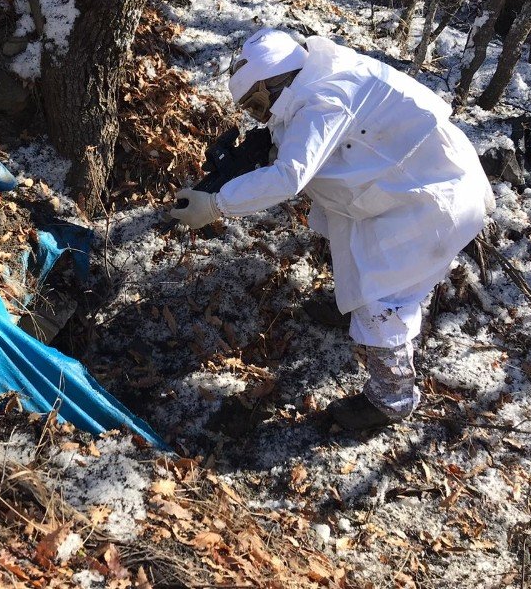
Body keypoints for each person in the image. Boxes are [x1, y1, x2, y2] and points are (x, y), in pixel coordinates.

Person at [169, 28, 493, 432]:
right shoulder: (314, 76)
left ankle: (391, 399)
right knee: (348, 244)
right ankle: (352, 307)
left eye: (257, 102)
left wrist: (216, 205)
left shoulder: (326, 97)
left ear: (277, 81)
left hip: (430, 200)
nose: (258, 114)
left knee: (382, 297)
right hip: (395, 186)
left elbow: (290, 176)